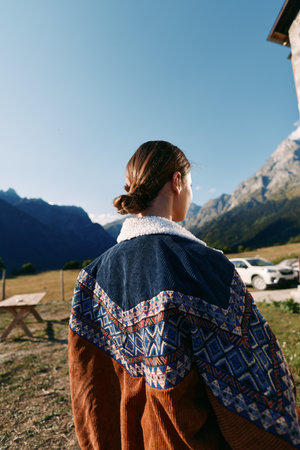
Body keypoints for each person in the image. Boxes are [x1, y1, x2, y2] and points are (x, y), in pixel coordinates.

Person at [68, 140, 300, 449]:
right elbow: (257, 387)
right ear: (177, 182)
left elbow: (89, 391)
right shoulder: (203, 266)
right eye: (189, 184)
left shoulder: (90, 280)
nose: (190, 194)